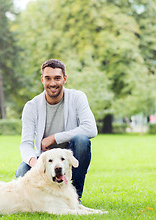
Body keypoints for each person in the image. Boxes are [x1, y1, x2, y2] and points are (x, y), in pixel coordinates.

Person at [15, 59, 97, 200]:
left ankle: (74, 198)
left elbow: (91, 129)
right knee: (22, 171)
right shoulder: (31, 106)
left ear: (64, 79)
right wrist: (36, 164)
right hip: (45, 158)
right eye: (48, 78)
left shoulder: (77, 97)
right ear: (42, 80)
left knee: (82, 140)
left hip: (69, 155)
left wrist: (54, 138)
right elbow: (26, 143)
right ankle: (44, 199)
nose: (52, 83)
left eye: (57, 78)